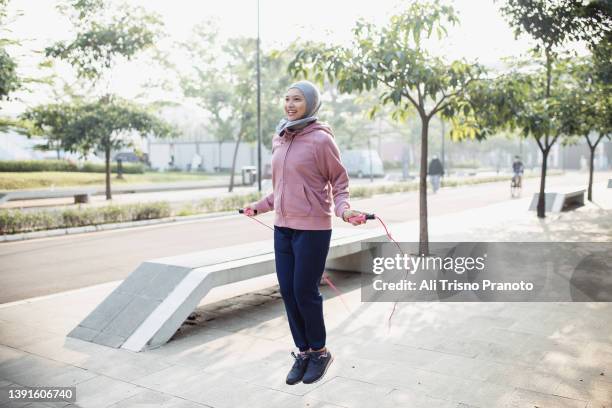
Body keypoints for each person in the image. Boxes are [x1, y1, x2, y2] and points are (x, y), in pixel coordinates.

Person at [242, 80, 365, 385]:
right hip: (283, 227)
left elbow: (339, 182)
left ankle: (321, 352)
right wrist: (259, 206)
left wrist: (344, 210)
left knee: (304, 291)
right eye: (286, 99)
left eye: (297, 99)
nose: (290, 104)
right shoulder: (280, 138)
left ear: (310, 104)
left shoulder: (321, 140)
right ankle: (304, 352)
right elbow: (281, 189)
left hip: (312, 228)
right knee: (287, 291)